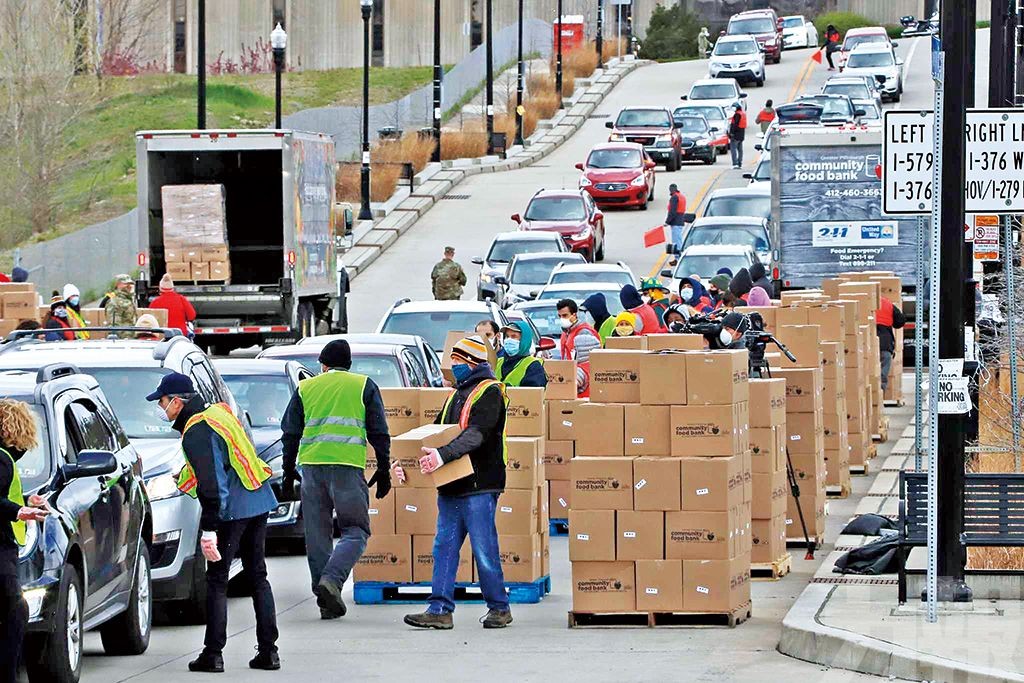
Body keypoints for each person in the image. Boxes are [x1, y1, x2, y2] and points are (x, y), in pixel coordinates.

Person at [145, 373, 280, 672]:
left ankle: (213, 653)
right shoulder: (217, 412)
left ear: (177, 402)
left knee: (217, 580)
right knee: (258, 576)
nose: (161, 407)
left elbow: (212, 483)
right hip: (258, 500)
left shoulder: (196, 429)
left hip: (232, 509)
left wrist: (209, 528)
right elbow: (222, 461)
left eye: (163, 402)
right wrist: (181, 479)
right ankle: (269, 651)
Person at [400, 336, 511, 630]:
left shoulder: (489, 393)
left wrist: (441, 456)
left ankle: (499, 608)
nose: (453, 365)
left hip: (479, 484)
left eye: (458, 360)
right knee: (444, 548)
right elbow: (434, 433)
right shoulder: (455, 394)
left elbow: (477, 434)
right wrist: (406, 465)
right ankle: (439, 609)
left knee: (483, 548)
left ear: (472, 363)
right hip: (452, 485)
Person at [280, 339, 391, 620]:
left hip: (312, 469)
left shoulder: (306, 387)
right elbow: (379, 431)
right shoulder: (363, 385)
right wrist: (384, 468)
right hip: (347, 468)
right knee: (356, 530)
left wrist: (287, 469)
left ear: (323, 365)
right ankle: (332, 579)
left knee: (317, 536)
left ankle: (325, 599)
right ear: (349, 365)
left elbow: (290, 432)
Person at [0, 399, 50, 683]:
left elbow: (5, 494)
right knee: (16, 612)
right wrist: (19, 510)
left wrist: (25, 499)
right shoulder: (2, 459)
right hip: (1, 553)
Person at [557, 299, 601, 398]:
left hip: (581, 383)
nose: (561, 319)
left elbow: (588, 362)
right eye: (559, 316)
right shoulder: (566, 332)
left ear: (574, 315)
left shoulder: (584, 333)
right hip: (571, 376)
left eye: (565, 315)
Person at [495, 322, 547, 388]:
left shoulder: (533, 366)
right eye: (507, 336)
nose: (508, 340)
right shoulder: (498, 362)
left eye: (514, 336)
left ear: (524, 340)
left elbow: (533, 394)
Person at [876, 296, 906, 392]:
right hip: (884, 342)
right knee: (884, 365)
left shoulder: (859, 302)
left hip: (865, 342)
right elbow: (900, 321)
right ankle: (879, 394)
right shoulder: (887, 303)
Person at [665, 184, 688, 266]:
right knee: (678, 240)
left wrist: (667, 222)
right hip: (680, 221)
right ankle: (678, 258)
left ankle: (678, 258)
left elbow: (672, 211)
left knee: (676, 242)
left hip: (675, 222)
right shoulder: (681, 196)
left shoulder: (674, 198)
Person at [728, 104, 747, 169]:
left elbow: (734, 125)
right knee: (740, 150)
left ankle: (735, 163)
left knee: (733, 149)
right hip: (741, 135)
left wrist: (731, 133)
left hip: (735, 135)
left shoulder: (737, 115)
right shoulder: (743, 114)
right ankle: (739, 163)